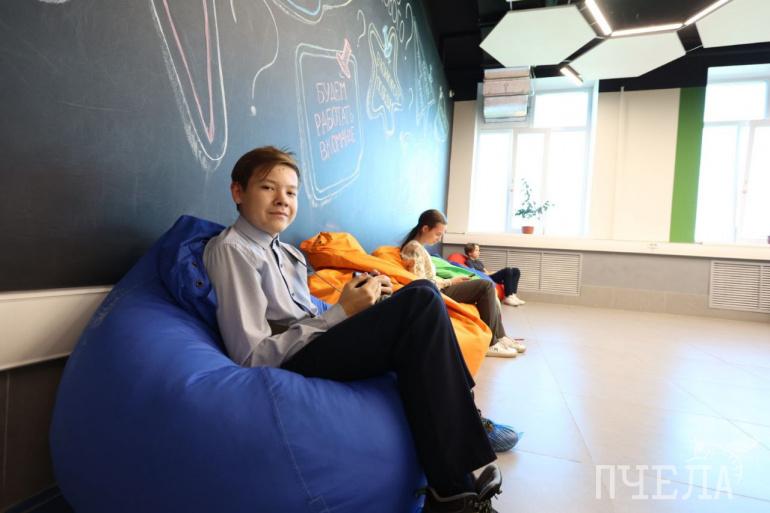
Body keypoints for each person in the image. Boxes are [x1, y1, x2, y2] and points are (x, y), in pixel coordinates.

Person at [203, 147, 503, 513]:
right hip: (288, 359)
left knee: (420, 294)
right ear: (238, 192)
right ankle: (455, 488)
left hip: (314, 339)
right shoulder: (233, 251)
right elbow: (251, 355)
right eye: (268, 188)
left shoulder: (289, 254)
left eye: (291, 192)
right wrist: (342, 313)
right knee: (422, 300)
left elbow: (310, 314)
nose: (282, 200)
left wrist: (361, 303)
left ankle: (460, 447)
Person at [400, 210, 526, 357]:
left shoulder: (419, 248)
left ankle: (501, 336)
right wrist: (450, 281)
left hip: (438, 287)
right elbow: (422, 283)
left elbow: (427, 278)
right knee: (486, 286)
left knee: (485, 285)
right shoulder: (414, 248)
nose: (439, 239)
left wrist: (452, 281)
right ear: (425, 228)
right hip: (434, 292)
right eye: (437, 234)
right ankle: (490, 343)